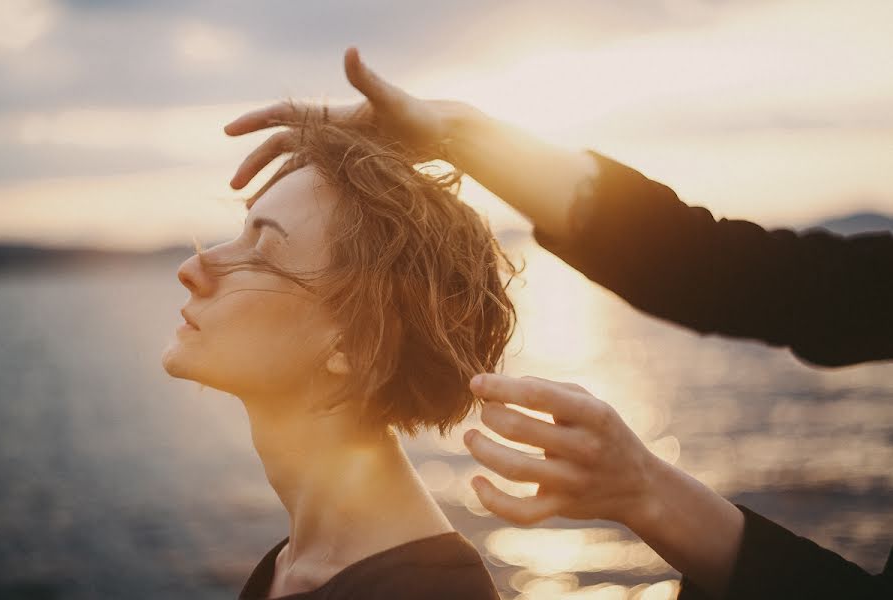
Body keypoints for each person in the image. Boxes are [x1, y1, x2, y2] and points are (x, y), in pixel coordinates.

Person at [222, 47, 893, 599]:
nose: (197, 267)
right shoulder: (285, 568)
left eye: (267, 243)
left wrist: (648, 490)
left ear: (352, 338)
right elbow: (762, 278)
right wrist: (456, 132)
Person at [162, 122, 515, 599]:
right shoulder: (295, 566)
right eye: (239, 235)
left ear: (353, 345)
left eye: (263, 253)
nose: (192, 270)